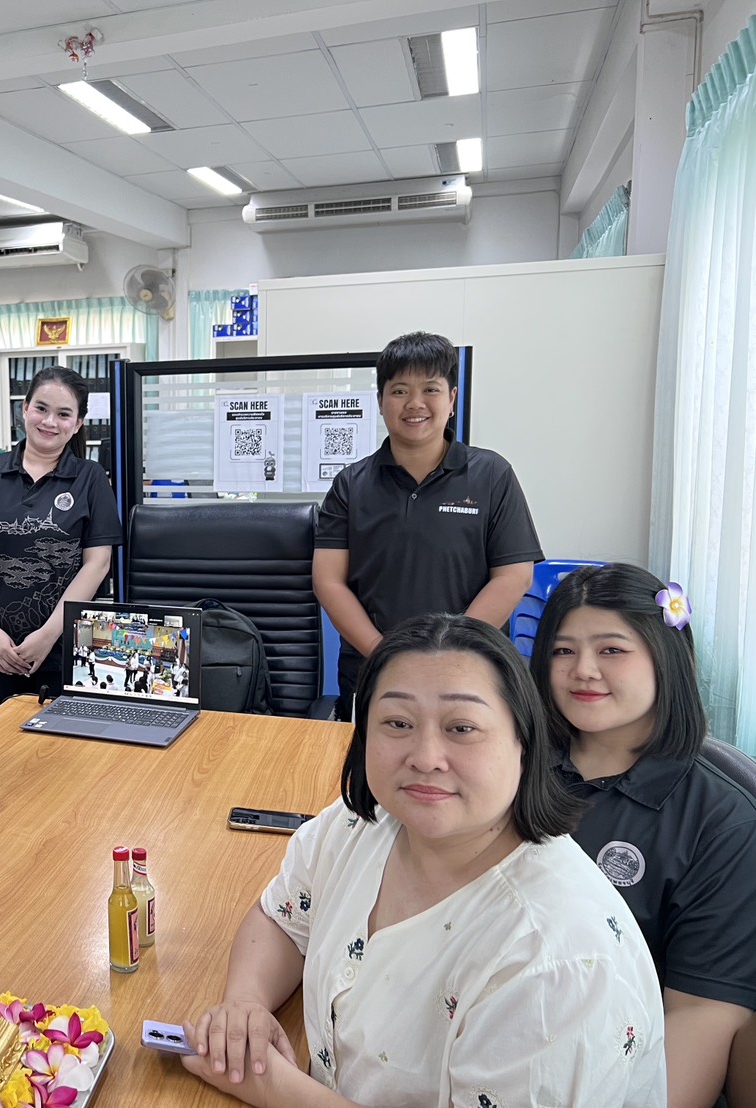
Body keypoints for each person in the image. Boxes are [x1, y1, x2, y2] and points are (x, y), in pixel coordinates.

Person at [181, 614, 665, 1108]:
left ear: (524, 742)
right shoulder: (358, 825)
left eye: (462, 728)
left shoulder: (555, 965)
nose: (426, 756)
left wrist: (274, 1089)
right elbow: (282, 920)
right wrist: (245, 1005)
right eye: (397, 723)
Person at [530, 563, 756, 1108]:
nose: (583, 670)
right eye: (563, 651)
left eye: (612, 650)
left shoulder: (724, 815)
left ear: (665, 657)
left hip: (619, 1064)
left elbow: (702, 1011)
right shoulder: (514, 759)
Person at [313, 331, 541, 720]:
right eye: (399, 390)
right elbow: (329, 581)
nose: (415, 404)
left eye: (430, 389)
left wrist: (449, 652)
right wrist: (384, 651)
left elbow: (514, 575)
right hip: (373, 670)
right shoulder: (351, 484)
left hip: (471, 672)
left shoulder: (492, 475)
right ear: (381, 401)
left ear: (451, 399)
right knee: (371, 773)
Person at [0, 366, 121, 705]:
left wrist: (47, 636)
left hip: (68, 644)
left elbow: (98, 564)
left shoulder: (89, 478)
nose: (49, 421)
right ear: (25, 409)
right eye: (41, 408)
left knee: (66, 748)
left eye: (63, 414)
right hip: (2, 645)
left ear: (77, 424)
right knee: (10, 741)